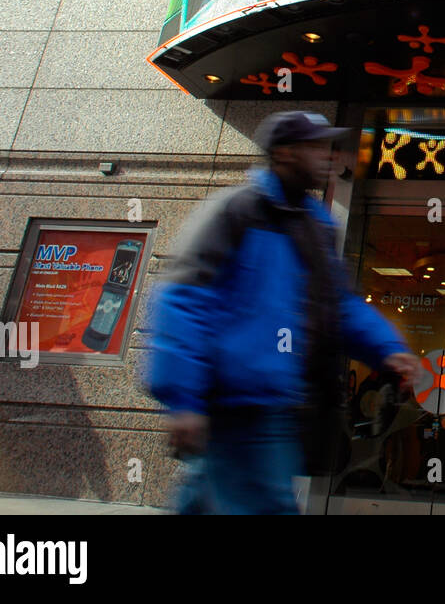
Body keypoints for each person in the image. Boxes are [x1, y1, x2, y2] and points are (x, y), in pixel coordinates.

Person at [146, 111, 420, 514]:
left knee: (209, 502)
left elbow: (339, 306)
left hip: (275, 406)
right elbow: (182, 301)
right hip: (238, 405)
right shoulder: (237, 212)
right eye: (316, 146)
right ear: (286, 153)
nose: (329, 155)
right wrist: (184, 399)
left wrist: (387, 348)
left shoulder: (316, 226)